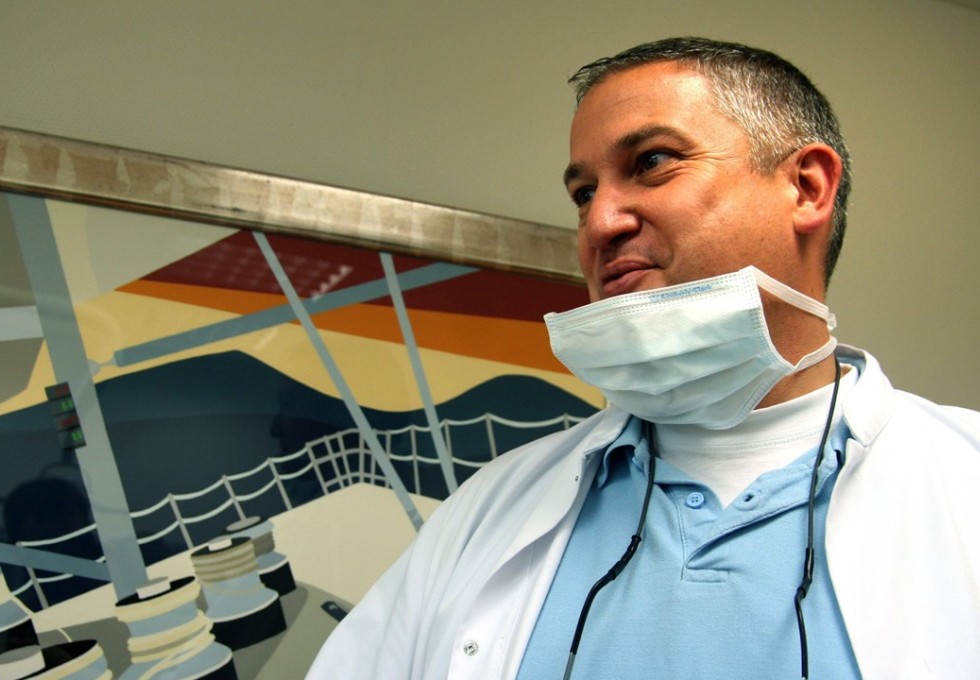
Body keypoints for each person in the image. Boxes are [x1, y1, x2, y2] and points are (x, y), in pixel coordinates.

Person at [307, 37, 980, 679]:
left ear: (806, 187)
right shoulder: (486, 512)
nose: (600, 223)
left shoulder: (961, 479)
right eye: (582, 193)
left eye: (652, 162)